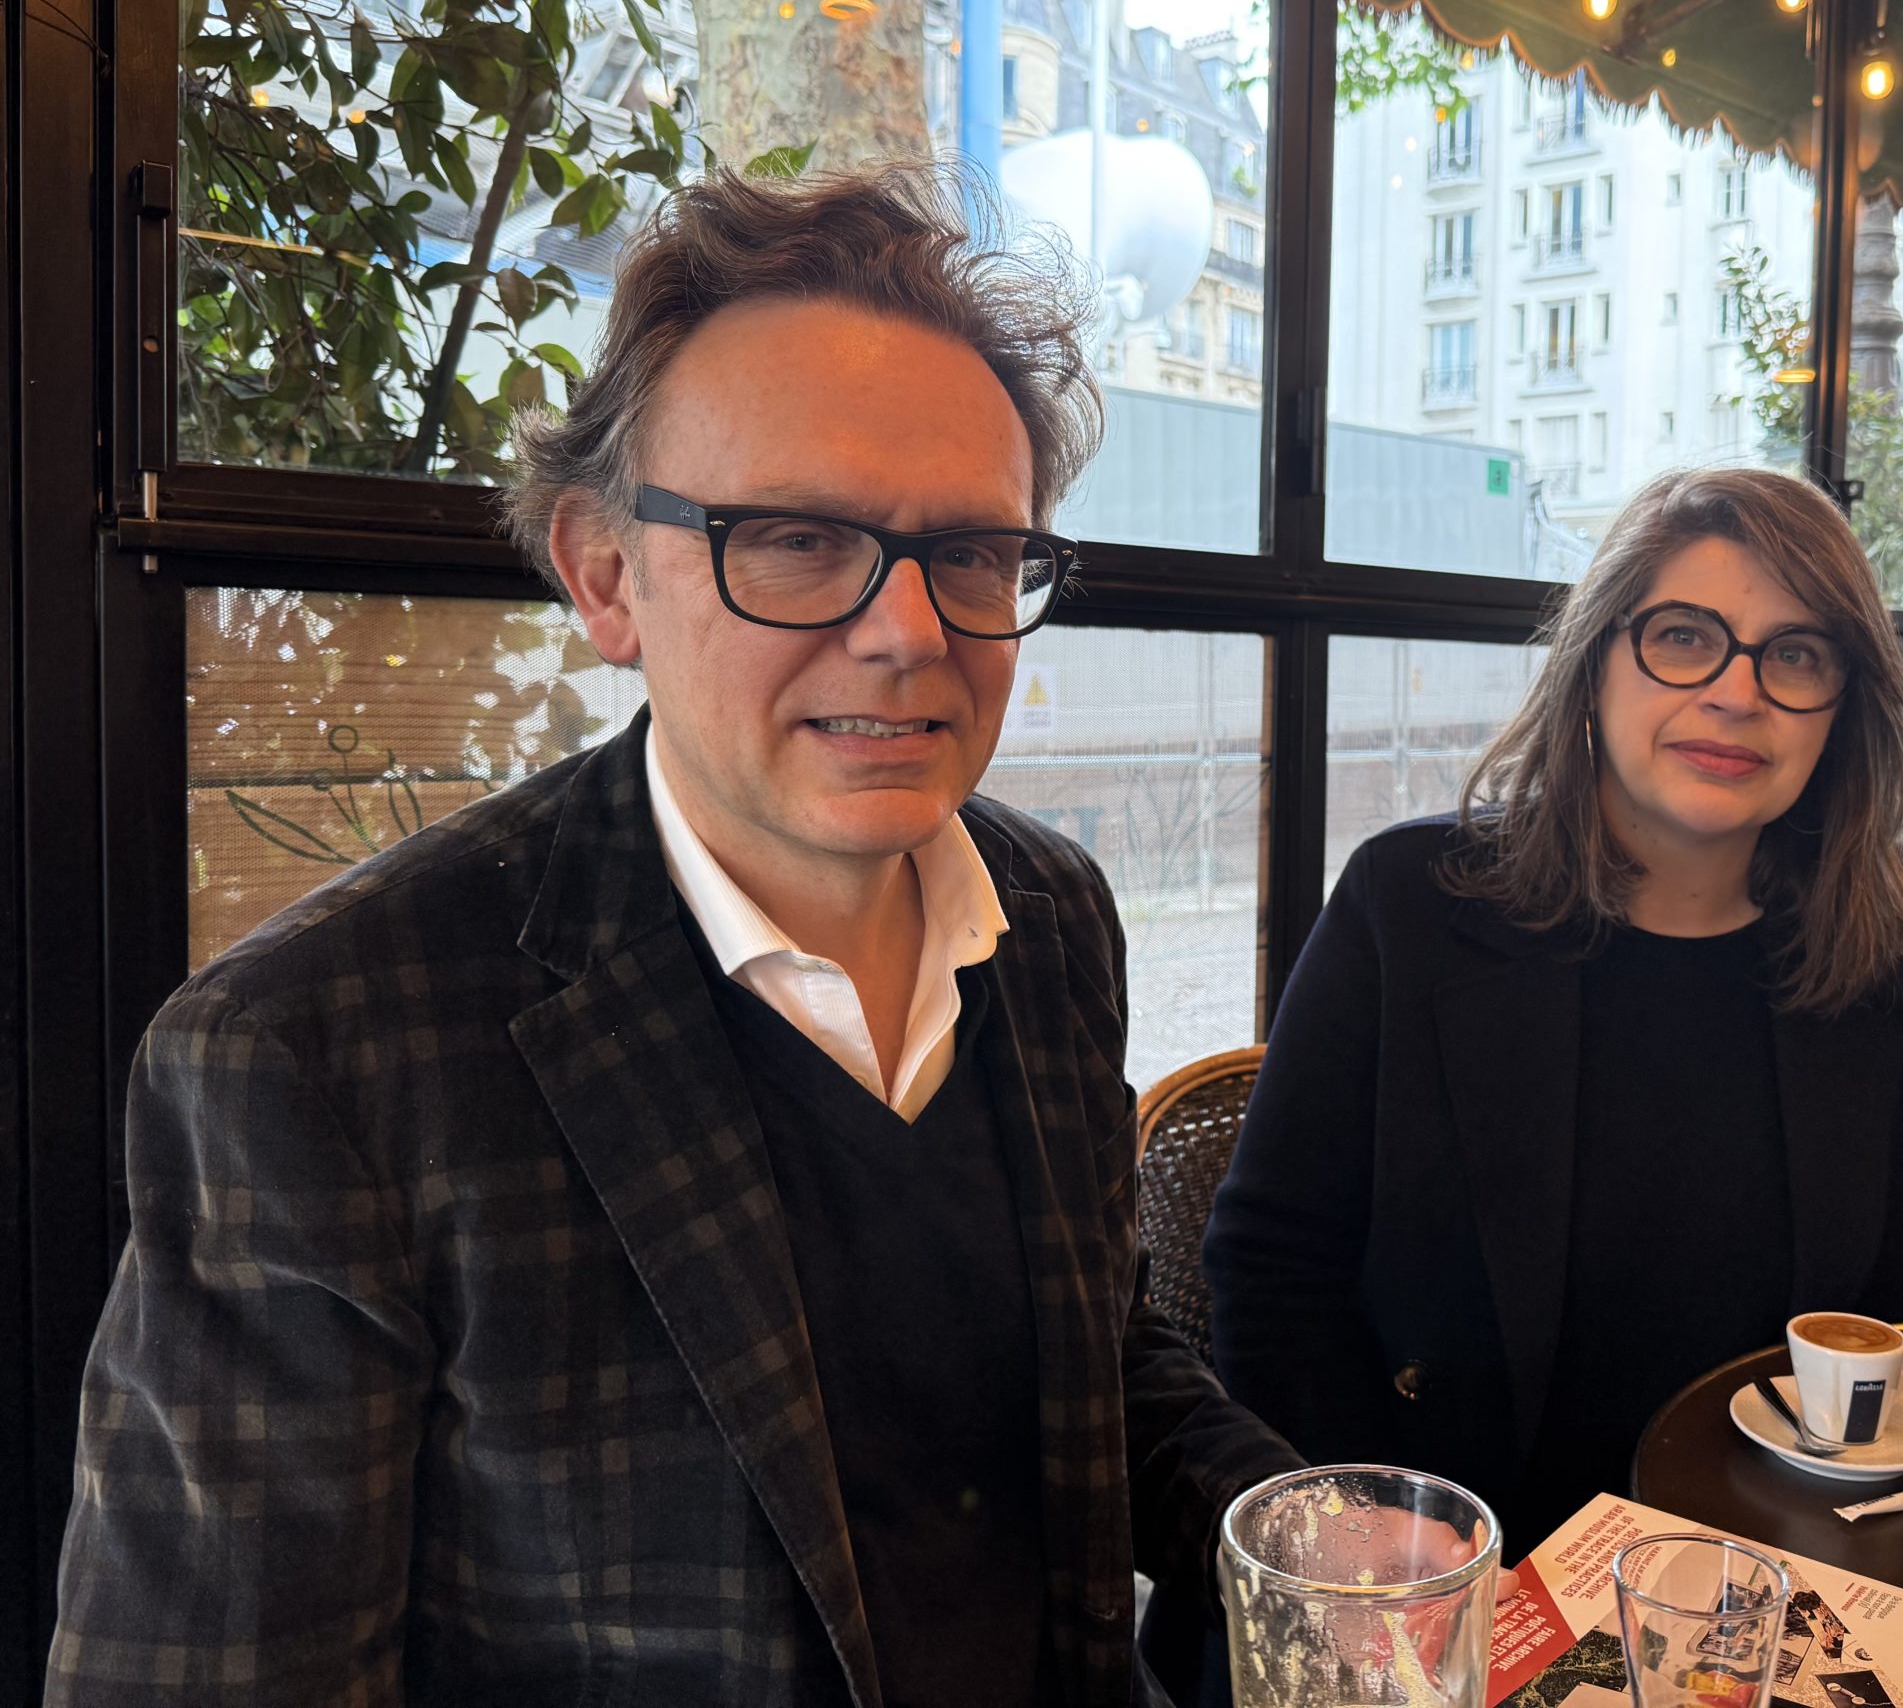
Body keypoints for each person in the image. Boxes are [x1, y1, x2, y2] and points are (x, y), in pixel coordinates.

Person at [47, 164, 1303, 1706]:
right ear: (604, 575)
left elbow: (1092, 1360)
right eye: (796, 538)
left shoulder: (1047, 919)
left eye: (975, 552)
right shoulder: (322, 1056)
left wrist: (1306, 1526)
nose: (910, 632)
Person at [1203, 466, 1903, 1555]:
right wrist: (1369, 1532)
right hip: (1479, 1567)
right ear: (1593, 664)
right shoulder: (1411, 909)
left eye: (1796, 655)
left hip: (1839, 1570)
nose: (1738, 693)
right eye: (1684, 637)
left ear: (1842, 707)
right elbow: (1273, 1271)